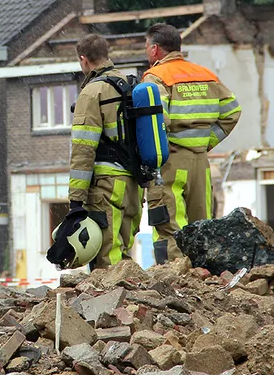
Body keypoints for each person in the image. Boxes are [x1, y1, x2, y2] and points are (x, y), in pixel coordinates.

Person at [142, 23, 241, 263]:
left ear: (155, 49)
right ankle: (202, 276)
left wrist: (162, 145)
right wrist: (206, 142)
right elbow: (232, 111)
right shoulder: (205, 74)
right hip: (200, 163)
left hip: (171, 161)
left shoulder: (156, 77)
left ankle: (176, 278)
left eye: (146, 47)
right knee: (201, 225)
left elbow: (158, 118)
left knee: (170, 224)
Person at [64, 34, 142, 268]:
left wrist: (75, 201)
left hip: (107, 186)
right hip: (134, 184)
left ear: (83, 60)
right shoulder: (131, 85)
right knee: (123, 250)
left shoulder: (91, 92)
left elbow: (83, 150)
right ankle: (128, 302)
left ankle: (111, 302)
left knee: (106, 256)